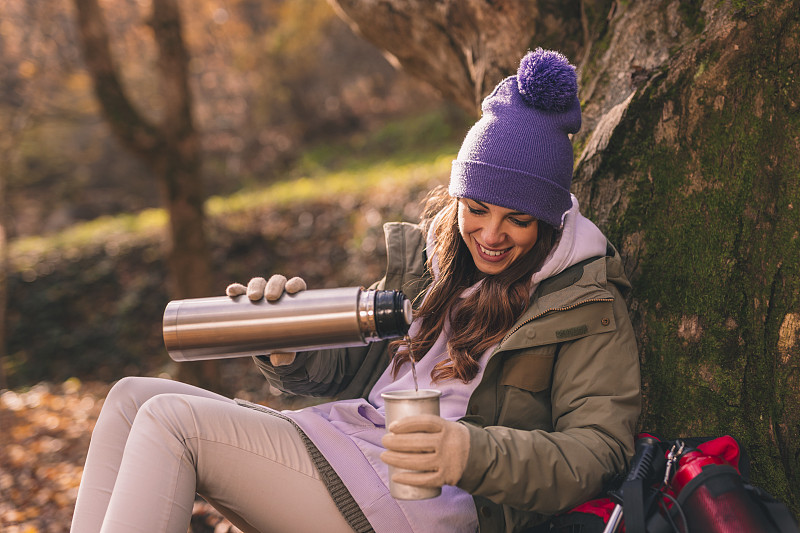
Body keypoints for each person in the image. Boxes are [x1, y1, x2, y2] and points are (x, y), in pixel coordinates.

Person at [70, 48, 641, 533]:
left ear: (546, 218)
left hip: (417, 502)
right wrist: (288, 342)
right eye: (477, 209)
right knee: (129, 399)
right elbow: (354, 369)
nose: (490, 235)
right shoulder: (438, 262)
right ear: (459, 199)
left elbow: (599, 451)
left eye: (516, 219)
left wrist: (469, 452)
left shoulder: (584, 302)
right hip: (346, 443)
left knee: (173, 420)